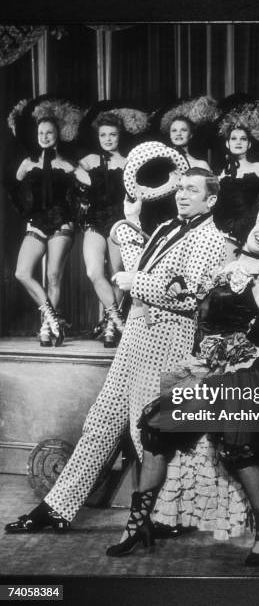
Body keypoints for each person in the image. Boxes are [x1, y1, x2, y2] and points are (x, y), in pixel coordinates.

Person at [4, 167, 227, 536]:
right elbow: (143, 268)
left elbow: (189, 295)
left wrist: (135, 281)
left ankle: (165, 518)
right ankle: (57, 508)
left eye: (192, 190)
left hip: (170, 338)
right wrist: (132, 220)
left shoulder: (210, 238)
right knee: (101, 423)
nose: (183, 194)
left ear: (211, 199)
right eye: (181, 188)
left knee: (151, 435)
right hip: (137, 335)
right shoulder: (168, 226)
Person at [105, 196, 259, 567]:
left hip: (242, 372)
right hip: (205, 366)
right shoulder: (229, 264)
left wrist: (242, 343)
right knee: (155, 426)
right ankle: (137, 525)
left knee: (236, 448)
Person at [12, 116, 76, 346]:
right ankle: (53, 317)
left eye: (49, 132)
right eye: (41, 133)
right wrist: (27, 212)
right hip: (37, 221)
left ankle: (47, 328)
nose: (45, 137)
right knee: (22, 272)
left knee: (53, 277)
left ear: (57, 135)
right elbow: (14, 189)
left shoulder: (67, 164)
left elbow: (88, 188)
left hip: (62, 220)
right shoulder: (27, 164)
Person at [74, 111, 128, 347]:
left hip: (119, 222)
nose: (107, 139)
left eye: (112, 134)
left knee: (116, 273)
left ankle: (109, 327)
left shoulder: (129, 162)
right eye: (103, 135)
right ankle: (117, 319)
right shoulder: (87, 161)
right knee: (94, 272)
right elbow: (75, 185)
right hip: (94, 221)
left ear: (119, 136)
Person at [140, 116, 211, 236]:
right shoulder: (158, 162)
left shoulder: (200, 164)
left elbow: (208, 198)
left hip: (190, 221)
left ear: (191, 134)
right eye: (174, 130)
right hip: (160, 218)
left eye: (183, 130)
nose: (178, 133)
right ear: (169, 134)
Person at [214, 125, 259, 256]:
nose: (238, 142)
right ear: (227, 144)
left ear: (249, 144)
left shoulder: (258, 168)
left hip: (251, 230)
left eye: (243, 139)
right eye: (234, 139)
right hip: (223, 232)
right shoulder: (220, 173)